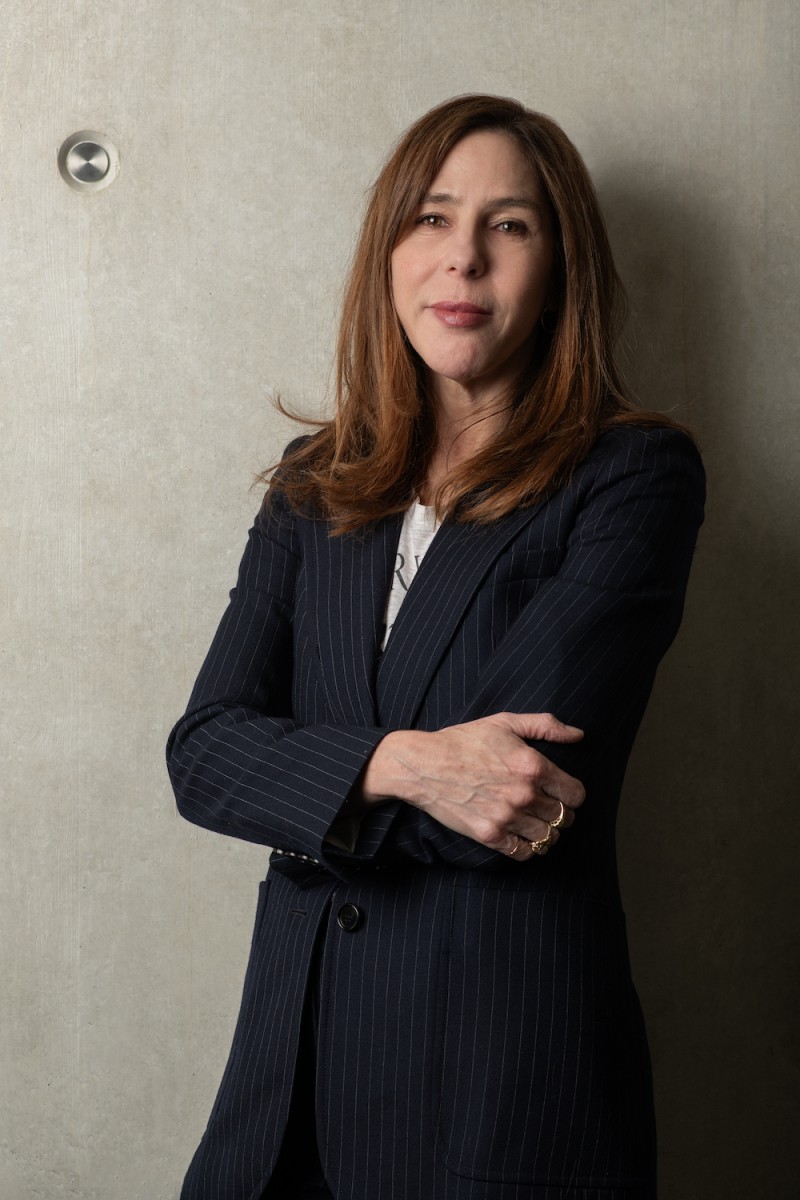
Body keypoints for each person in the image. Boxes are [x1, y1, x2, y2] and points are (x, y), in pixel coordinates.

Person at [167, 94, 705, 1200]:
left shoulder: (631, 478)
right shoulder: (314, 484)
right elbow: (203, 754)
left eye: (509, 225)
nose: (463, 257)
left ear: (559, 268)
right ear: (389, 254)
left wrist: (308, 778)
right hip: (285, 1091)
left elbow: (508, 797)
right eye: (431, 217)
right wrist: (405, 764)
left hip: (498, 1100)